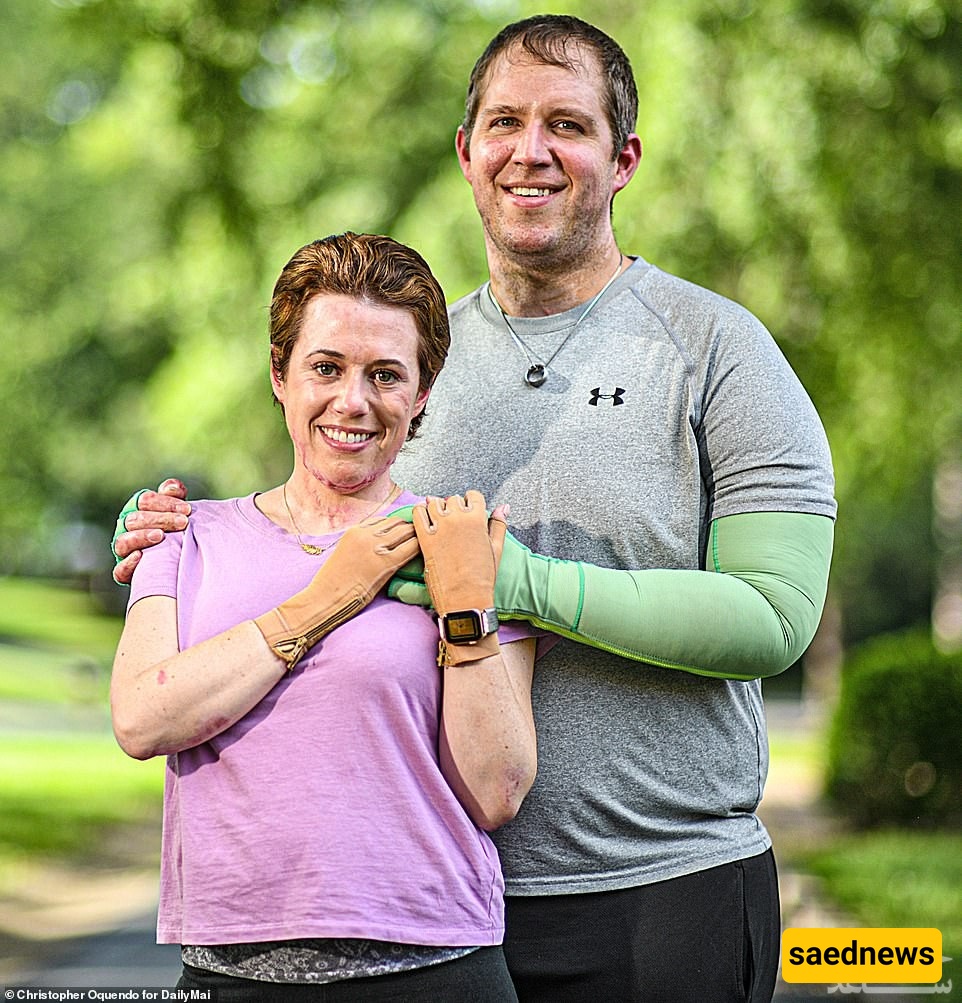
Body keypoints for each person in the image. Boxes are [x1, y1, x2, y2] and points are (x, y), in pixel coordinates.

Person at [112, 15, 837, 1003]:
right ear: (466, 152)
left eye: (566, 125)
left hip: (664, 890)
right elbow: (305, 537)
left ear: (622, 159)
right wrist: (167, 541)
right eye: (504, 122)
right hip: (441, 913)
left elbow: (776, 616)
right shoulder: (405, 366)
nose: (530, 151)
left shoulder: (716, 347)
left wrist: (525, 584)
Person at [111, 231, 549, 1000]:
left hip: (437, 971)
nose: (353, 401)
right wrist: (330, 594)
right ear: (279, 374)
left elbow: (496, 790)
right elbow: (142, 720)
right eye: (326, 367)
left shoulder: (465, 543)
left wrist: (465, 607)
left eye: (386, 374)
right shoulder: (183, 536)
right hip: (229, 977)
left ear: (421, 393)